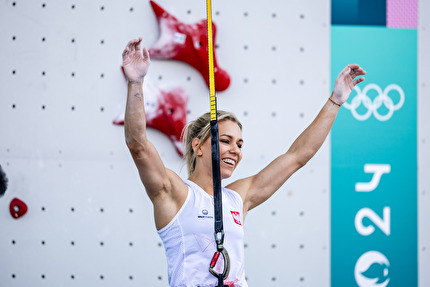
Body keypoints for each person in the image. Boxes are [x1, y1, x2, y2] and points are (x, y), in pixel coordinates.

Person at [122, 37, 365, 287]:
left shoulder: (238, 197)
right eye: (226, 140)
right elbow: (138, 146)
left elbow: (296, 157)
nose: (235, 150)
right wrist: (136, 82)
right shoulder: (175, 194)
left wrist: (335, 101)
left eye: (239, 144)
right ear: (198, 146)